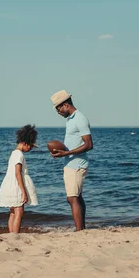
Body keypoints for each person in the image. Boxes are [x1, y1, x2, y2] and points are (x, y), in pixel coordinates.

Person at [50, 90, 93, 231]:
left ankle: (79, 231)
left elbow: (89, 144)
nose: (58, 113)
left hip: (76, 164)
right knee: (78, 197)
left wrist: (66, 153)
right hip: (71, 163)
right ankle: (82, 228)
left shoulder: (80, 118)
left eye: (58, 109)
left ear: (66, 105)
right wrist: (62, 153)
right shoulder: (71, 119)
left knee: (72, 198)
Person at [0, 125, 39, 233]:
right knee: (19, 211)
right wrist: (24, 192)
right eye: (30, 146)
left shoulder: (14, 153)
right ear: (25, 142)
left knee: (12, 212)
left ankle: (11, 234)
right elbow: (18, 173)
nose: (30, 149)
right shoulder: (19, 155)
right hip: (16, 186)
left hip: (10, 184)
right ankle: (15, 235)